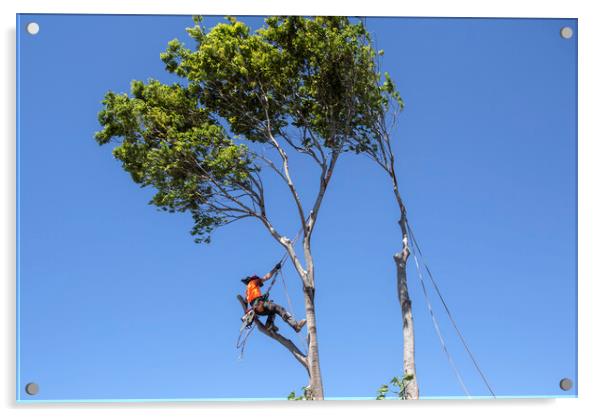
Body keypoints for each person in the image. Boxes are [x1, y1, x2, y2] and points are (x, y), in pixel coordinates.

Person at [241, 262, 307, 333]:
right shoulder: (253, 282)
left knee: (272, 311)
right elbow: (267, 277)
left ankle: (269, 325)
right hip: (259, 304)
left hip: (257, 310)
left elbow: (246, 301)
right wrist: (275, 269)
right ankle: (295, 326)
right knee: (278, 308)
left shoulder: (247, 291)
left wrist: (247, 312)